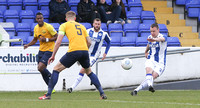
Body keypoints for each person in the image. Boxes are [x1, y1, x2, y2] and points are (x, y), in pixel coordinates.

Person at [38, 11, 107, 100]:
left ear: (66, 19)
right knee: (89, 72)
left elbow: (58, 41)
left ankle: (48, 95)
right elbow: (89, 42)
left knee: (56, 69)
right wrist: (83, 51)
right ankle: (102, 93)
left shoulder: (64, 25)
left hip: (73, 51)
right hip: (85, 51)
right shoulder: (82, 26)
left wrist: (53, 55)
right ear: (75, 18)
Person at [67, 18, 111, 93]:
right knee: (88, 71)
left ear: (100, 25)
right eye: (96, 24)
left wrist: (105, 53)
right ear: (93, 24)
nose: (97, 25)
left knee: (83, 69)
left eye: (98, 24)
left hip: (94, 56)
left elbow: (109, 42)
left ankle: (72, 87)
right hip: (85, 54)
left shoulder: (103, 34)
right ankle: (100, 90)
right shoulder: (87, 31)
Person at [24, 12, 58, 93]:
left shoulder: (48, 27)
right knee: (41, 70)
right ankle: (51, 88)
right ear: (36, 19)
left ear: (43, 18)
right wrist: (28, 45)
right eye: (38, 18)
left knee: (40, 67)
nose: (39, 20)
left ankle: (51, 75)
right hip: (41, 50)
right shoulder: (36, 28)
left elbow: (56, 36)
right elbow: (35, 39)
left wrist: (46, 39)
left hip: (49, 50)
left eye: (41, 18)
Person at [130, 23, 167, 96]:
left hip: (160, 63)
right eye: (151, 31)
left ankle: (136, 90)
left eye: (154, 31)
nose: (152, 33)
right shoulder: (150, 37)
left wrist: (154, 39)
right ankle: (150, 86)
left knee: (152, 77)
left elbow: (161, 39)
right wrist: (146, 51)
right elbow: (149, 44)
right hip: (151, 60)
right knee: (148, 70)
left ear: (158, 30)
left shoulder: (162, 36)